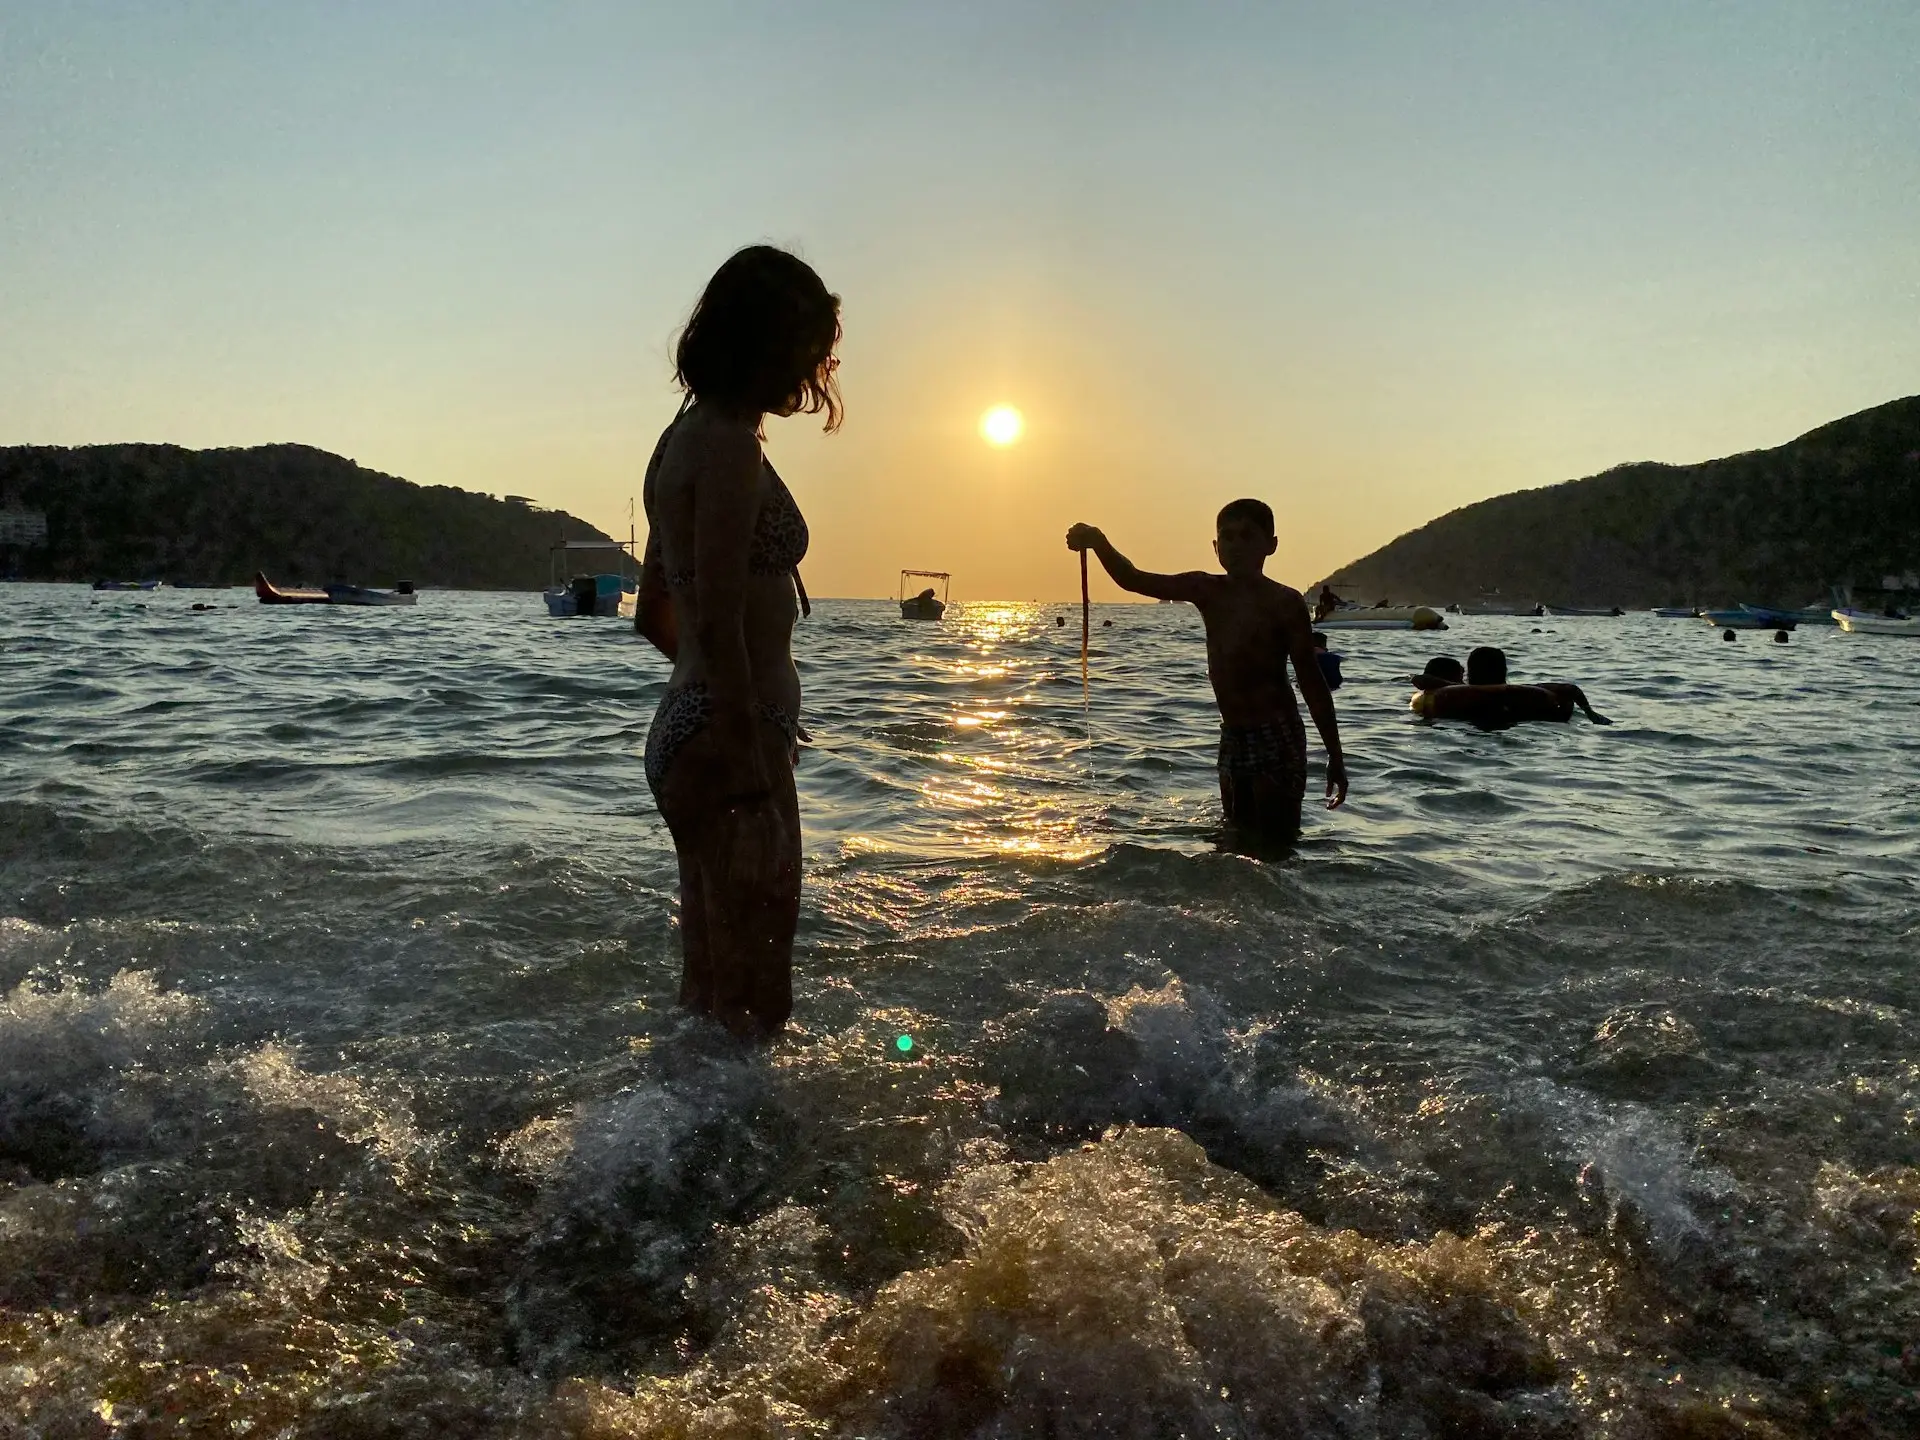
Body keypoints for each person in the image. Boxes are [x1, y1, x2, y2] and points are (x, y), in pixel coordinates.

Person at [633, 245, 841, 1040]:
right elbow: (714, 618)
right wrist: (750, 762)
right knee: (757, 1004)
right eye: (805, 347)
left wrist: (713, 705)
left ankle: (669, 1147)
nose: (816, 370)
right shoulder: (728, 445)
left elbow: (655, 614)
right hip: (726, 748)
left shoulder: (680, 439)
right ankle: (731, 1160)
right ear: (764, 344)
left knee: (710, 994)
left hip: (691, 733)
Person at [1066, 501, 1348, 842]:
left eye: (1247, 536)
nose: (1236, 546)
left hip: (1278, 737)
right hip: (1233, 737)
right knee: (1233, 842)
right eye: (1227, 538)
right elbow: (1132, 579)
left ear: (1271, 545)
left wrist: (1335, 754)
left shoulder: (1284, 603)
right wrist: (1098, 542)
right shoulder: (1207, 590)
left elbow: (1310, 680)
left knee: (1278, 842)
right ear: (1215, 548)